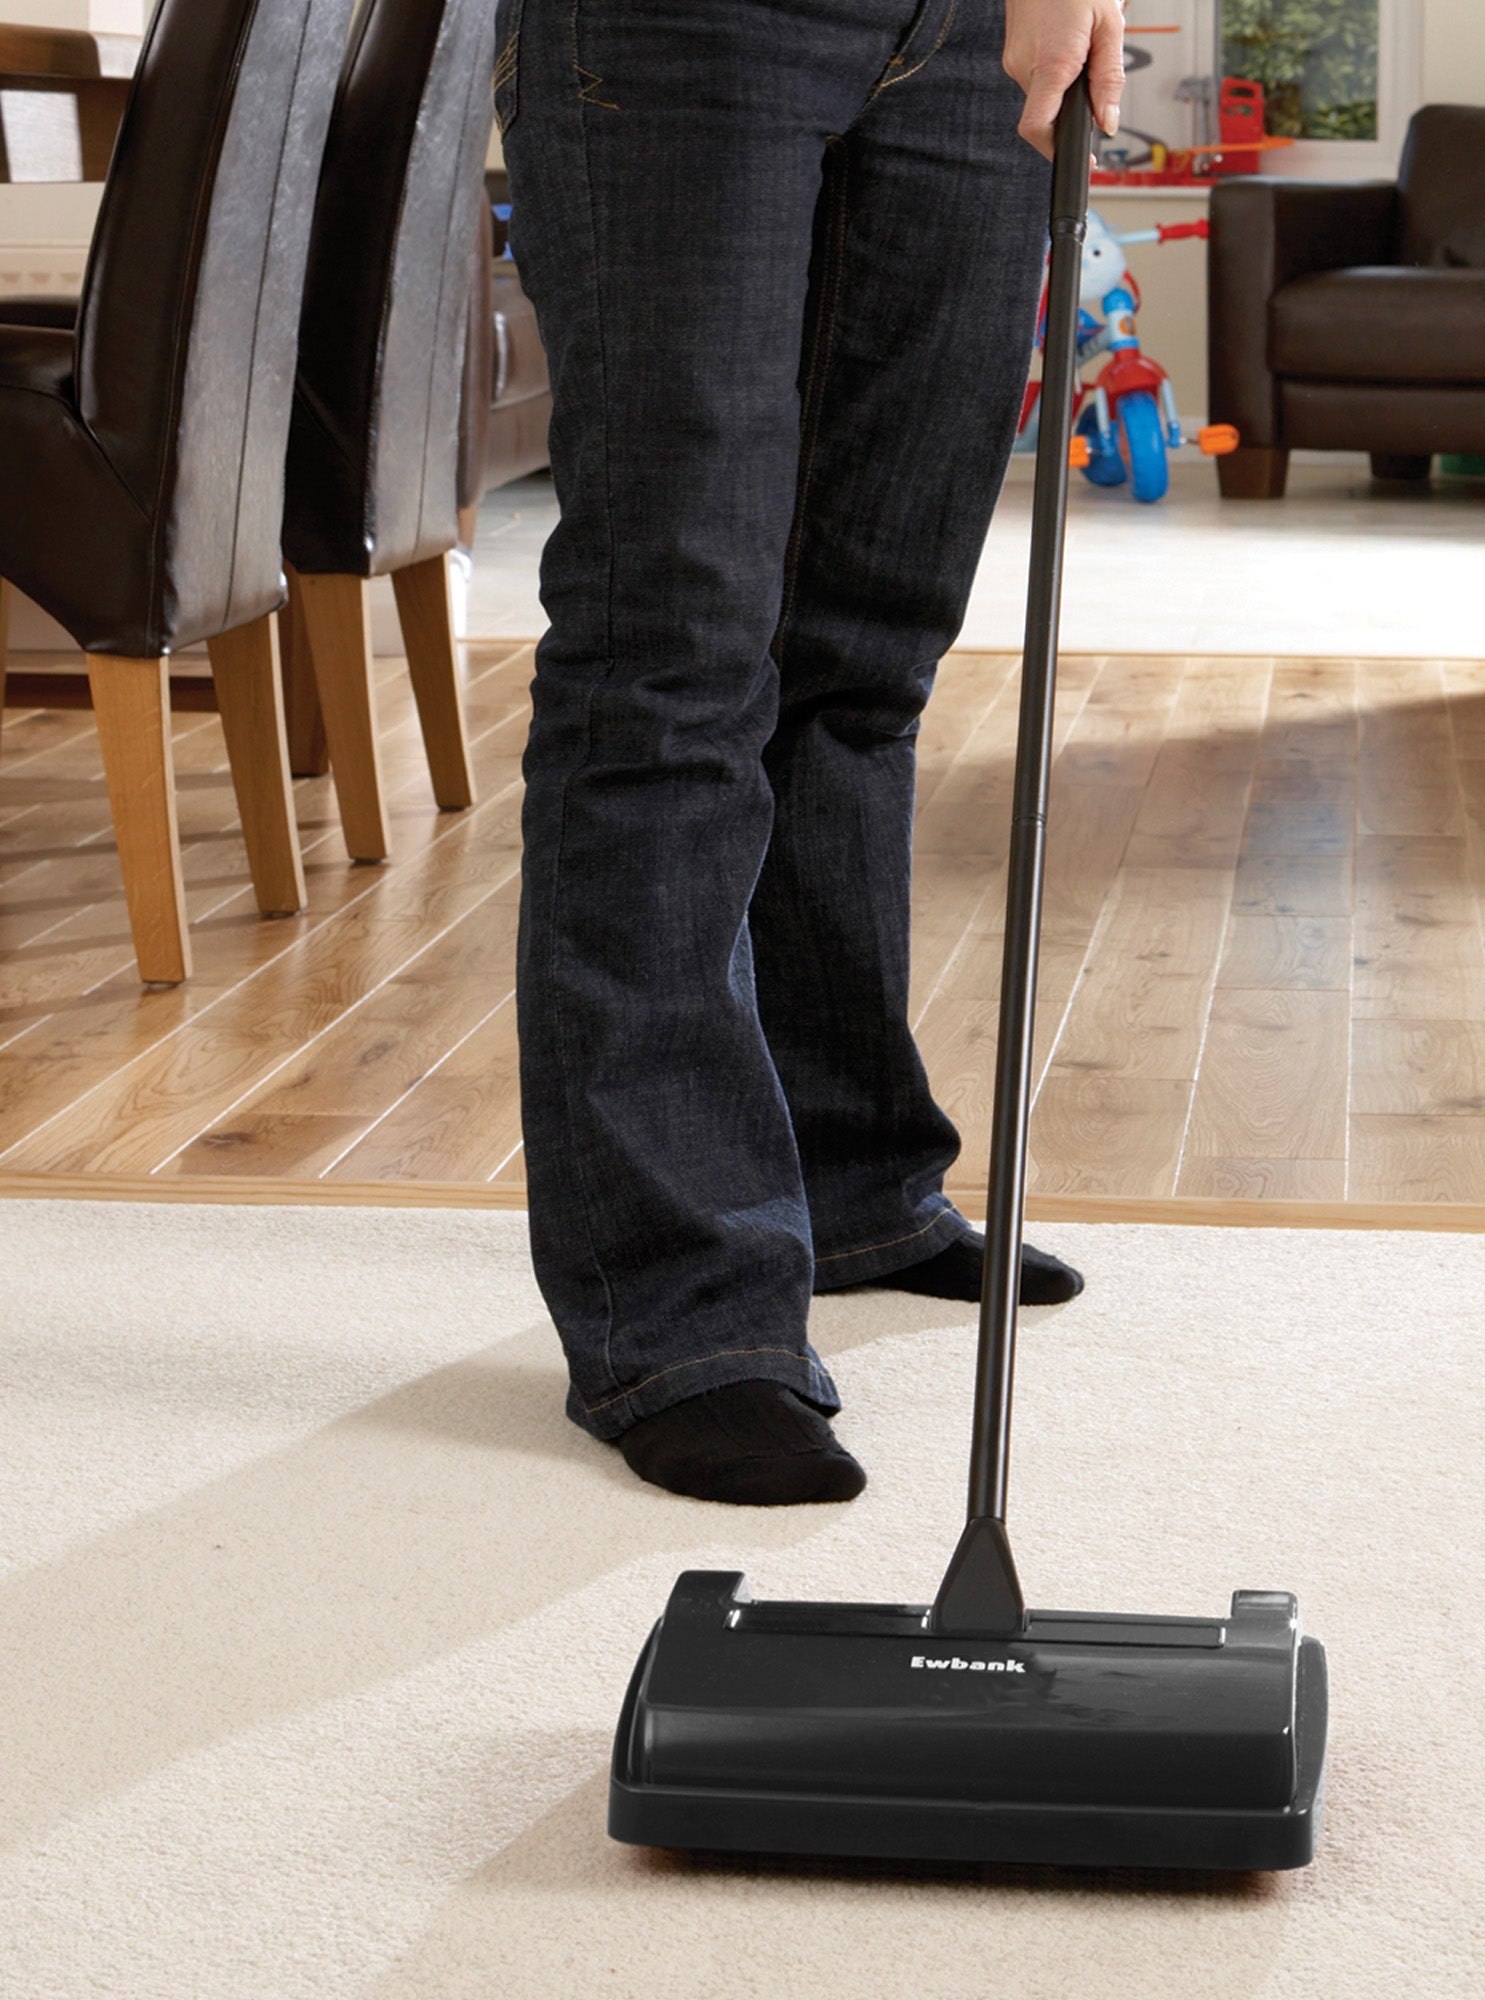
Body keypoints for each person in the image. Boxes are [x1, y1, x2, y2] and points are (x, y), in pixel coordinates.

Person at [496, 0, 1127, 1505]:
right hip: (683, 34)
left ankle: (851, 1177)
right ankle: (682, 1314)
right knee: (673, 640)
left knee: (868, 632)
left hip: (977, 33)